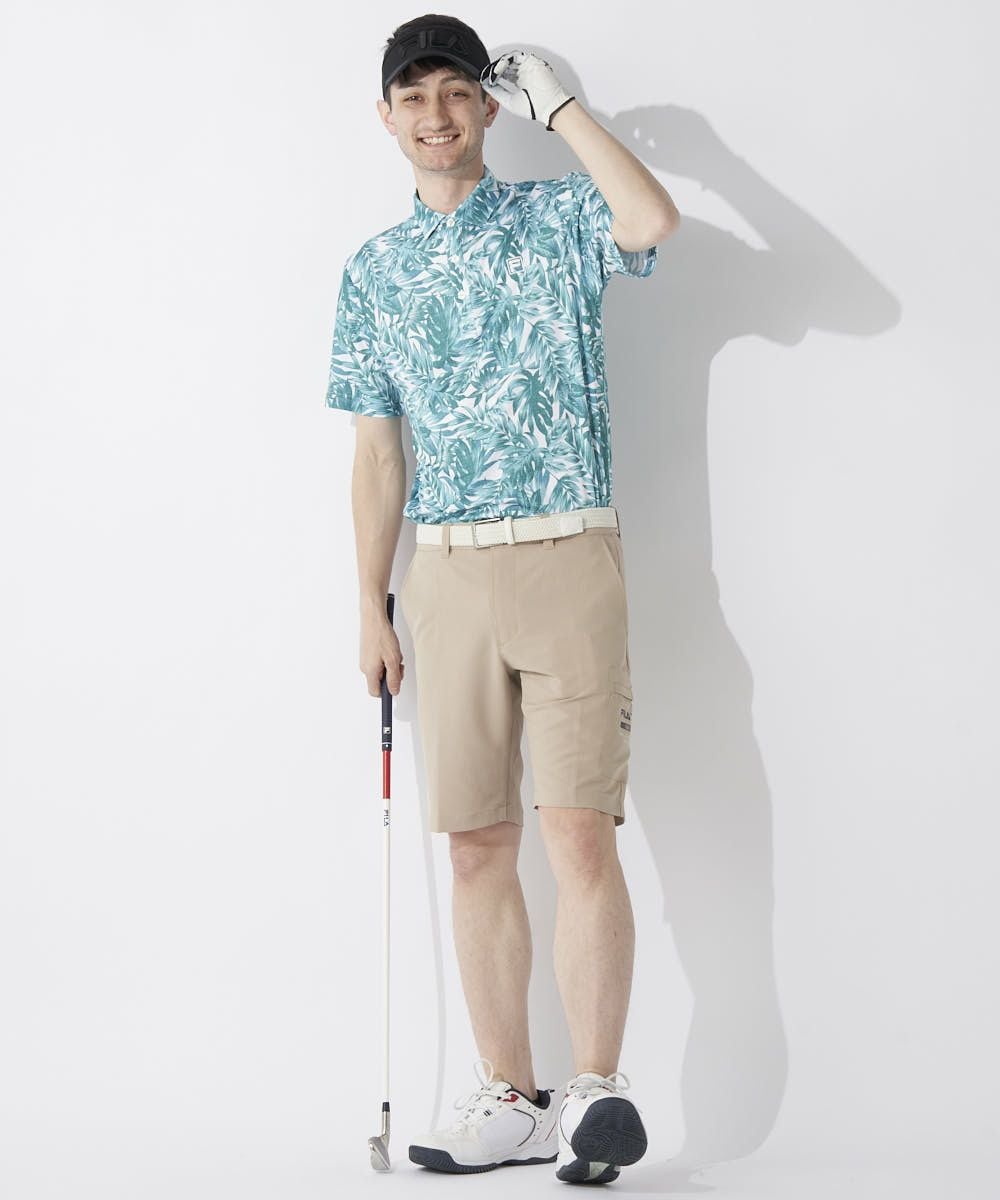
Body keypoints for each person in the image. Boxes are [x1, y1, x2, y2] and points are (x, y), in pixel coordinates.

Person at [325, 13, 680, 1185]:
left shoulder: (559, 216)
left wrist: (564, 108)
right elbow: (378, 453)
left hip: (568, 552)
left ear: (485, 107)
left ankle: (594, 1096)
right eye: (413, 97)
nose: (435, 115)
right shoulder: (374, 271)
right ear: (387, 117)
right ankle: (512, 1100)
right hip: (446, 574)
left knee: (576, 832)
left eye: (455, 93)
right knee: (477, 845)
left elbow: (651, 222)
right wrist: (370, 604)